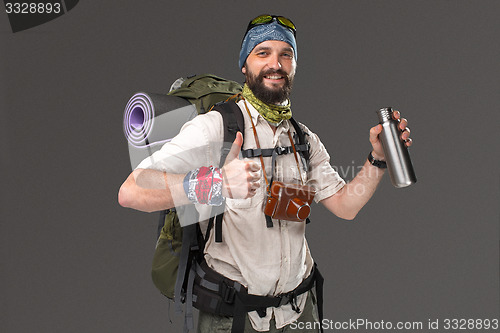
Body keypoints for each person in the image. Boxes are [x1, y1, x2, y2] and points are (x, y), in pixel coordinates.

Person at [118, 14, 412, 333]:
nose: (276, 63)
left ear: (294, 66)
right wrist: (213, 184)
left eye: (286, 54)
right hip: (233, 319)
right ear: (245, 65)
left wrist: (378, 159)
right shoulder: (217, 128)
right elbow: (132, 191)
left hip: (300, 313)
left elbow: (346, 205)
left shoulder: (302, 138)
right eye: (263, 53)